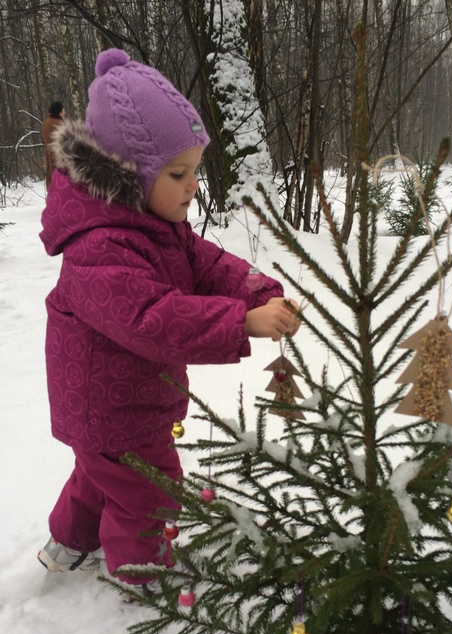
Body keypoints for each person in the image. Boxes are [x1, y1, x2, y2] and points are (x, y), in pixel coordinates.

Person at [37, 49, 300, 596]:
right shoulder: (99, 245)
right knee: (147, 490)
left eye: (195, 172)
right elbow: (150, 317)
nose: (192, 187)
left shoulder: (153, 225)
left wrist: (257, 290)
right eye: (178, 174)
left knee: (98, 474)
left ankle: (68, 544)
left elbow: (206, 264)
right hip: (109, 401)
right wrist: (241, 322)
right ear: (129, 174)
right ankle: (144, 580)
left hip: (112, 404)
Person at [40, 101, 65, 186]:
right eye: (63, 110)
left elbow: (43, 140)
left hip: (49, 162)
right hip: (60, 162)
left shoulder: (45, 124)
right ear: (58, 111)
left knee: (52, 188)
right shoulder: (59, 125)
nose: (64, 113)